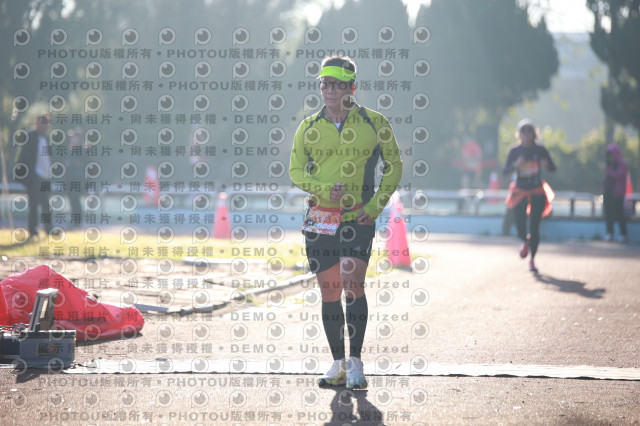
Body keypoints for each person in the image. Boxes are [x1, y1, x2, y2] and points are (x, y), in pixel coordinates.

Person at [289, 55, 403, 389]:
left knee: (353, 284)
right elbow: (295, 170)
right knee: (330, 290)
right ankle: (337, 363)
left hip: (358, 216)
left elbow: (394, 165)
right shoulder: (308, 127)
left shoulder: (375, 122)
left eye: (337, 85)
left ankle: (356, 363)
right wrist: (323, 189)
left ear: (352, 88)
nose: (329, 90)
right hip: (321, 218)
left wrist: (377, 205)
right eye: (325, 84)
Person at [503, 119, 556, 273]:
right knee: (520, 227)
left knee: (534, 227)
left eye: (529, 130)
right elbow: (505, 171)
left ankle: (532, 260)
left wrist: (546, 165)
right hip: (520, 191)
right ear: (519, 134)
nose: (526, 133)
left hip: (537, 191)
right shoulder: (514, 151)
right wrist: (516, 166)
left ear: (534, 133)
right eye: (523, 130)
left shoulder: (540, 150)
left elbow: (553, 168)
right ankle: (525, 241)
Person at [14, 114, 53, 238]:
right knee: (34, 204)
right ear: (36, 123)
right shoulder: (30, 137)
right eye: (42, 123)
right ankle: (33, 229)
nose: (45, 126)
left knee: (46, 204)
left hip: (45, 176)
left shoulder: (46, 138)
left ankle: (48, 228)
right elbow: (24, 158)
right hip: (34, 176)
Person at [602, 143, 628, 243]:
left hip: (618, 194)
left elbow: (618, 175)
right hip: (608, 193)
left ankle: (623, 234)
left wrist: (608, 172)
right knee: (608, 213)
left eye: (611, 155)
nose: (610, 157)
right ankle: (610, 233)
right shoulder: (609, 165)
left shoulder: (622, 164)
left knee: (619, 213)